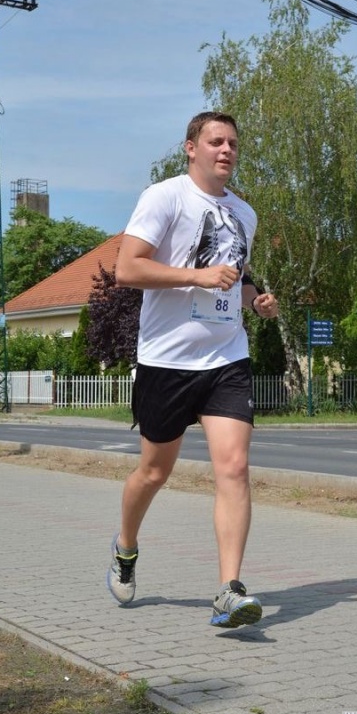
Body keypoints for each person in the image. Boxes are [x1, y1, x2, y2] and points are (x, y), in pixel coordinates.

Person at [107, 111, 279, 628]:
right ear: (191, 148)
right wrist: (196, 276)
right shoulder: (165, 197)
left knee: (234, 467)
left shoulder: (244, 213)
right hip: (167, 360)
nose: (226, 150)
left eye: (233, 143)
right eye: (215, 141)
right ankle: (125, 546)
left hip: (226, 357)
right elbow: (127, 268)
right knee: (154, 472)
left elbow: (235, 277)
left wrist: (255, 300)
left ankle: (229, 590)